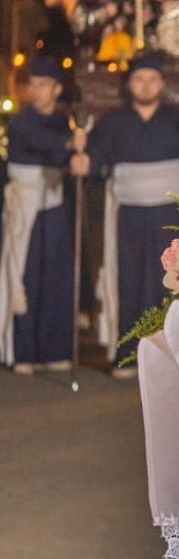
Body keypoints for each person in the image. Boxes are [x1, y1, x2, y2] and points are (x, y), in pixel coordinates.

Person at [76, 53, 179, 375]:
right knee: (129, 281)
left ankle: (172, 356)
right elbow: (95, 165)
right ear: (129, 84)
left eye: (152, 79)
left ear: (162, 84)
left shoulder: (178, 120)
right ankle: (128, 353)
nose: (146, 85)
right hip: (129, 214)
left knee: (171, 281)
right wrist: (82, 161)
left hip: (170, 213)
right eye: (139, 79)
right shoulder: (111, 123)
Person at [0, 58, 82, 373]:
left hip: (53, 203)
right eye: (33, 85)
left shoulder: (64, 121)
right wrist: (68, 144)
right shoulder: (22, 120)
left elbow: (65, 154)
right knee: (25, 274)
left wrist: (76, 152)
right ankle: (22, 351)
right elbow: (38, 143)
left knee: (55, 276)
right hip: (25, 204)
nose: (37, 91)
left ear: (57, 89)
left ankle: (53, 350)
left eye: (44, 85)